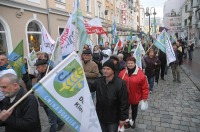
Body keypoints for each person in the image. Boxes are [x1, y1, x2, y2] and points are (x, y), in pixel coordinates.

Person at [90, 59, 129, 132]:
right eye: (104, 68)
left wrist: (122, 118)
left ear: (113, 70)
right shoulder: (99, 81)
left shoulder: (120, 83)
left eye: (108, 69)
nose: (105, 71)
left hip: (113, 118)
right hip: (100, 116)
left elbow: (124, 103)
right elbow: (88, 88)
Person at [118, 57, 149, 129]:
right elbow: (118, 83)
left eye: (131, 63)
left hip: (135, 96)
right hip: (124, 97)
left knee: (134, 110)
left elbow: (145, 87)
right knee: (125, 110)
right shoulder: (122, 73)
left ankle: (133, 121)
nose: (130, 65)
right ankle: (126, 122)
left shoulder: (141, 74)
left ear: (135, 63)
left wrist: (144, 97)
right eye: (128, 63)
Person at [35, 59, 65, 132]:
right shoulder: (41, 74)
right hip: (43, 101)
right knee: (52, 116)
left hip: (50, 101)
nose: (37, 69)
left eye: (38, 67)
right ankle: (61, 122)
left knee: (52, 121)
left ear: (45, 67)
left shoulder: (51, 74)